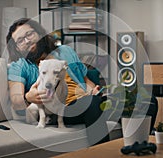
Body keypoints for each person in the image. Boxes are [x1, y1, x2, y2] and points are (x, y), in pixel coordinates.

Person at [6, 18, 110, 146]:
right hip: (57, 109)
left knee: (126, 100)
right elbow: (16, 100)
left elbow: (85, 80)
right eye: (20, 40)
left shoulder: (65, 51)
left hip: (83, 99)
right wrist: (29, 97)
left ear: (39, 33)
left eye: (29, 34)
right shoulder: (19, 66)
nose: (27, 41)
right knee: (92, 103)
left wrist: (94, 90)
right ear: (16, 48)